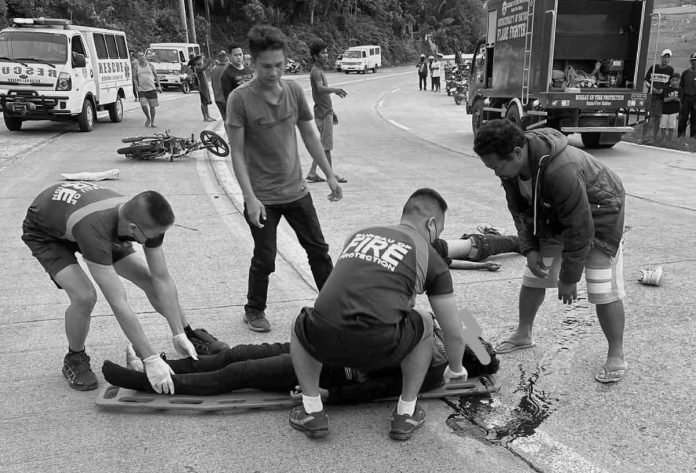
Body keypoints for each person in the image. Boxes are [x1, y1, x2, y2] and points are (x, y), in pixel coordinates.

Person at [289, 188, 470, 441]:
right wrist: (456, 369)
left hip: (324, 341)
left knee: (301, 322)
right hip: (381, 347)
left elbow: (351, 287)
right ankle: (405, 413)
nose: (435, 237)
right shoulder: (429, 256)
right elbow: (453, 332)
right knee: (426, 321)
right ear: (431, 224)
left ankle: (312, 411)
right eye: (438, 231)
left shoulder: (358, 235)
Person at [21, 182, 228, 392]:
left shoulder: (146, 223)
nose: (154, 240)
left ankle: (189, 334)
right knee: (84, 296)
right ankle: (75, 357)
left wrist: (178, 332)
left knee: (147, 279)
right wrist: (150, 357)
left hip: (84, 222)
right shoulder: (96, 229)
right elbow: (118, 301)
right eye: (150, 237)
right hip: (47, 235)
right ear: (132, 229)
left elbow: (161, 278)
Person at [473, 120, 627, 384]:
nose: (495, 172)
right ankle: (524, 333)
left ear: (517, 153)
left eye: (497, 166)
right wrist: (529, 248)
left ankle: (616, 353)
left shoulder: (560, 169)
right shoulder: (510, 171)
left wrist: (569, 277)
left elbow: (580, 226)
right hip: (553, 213)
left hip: (601, 215)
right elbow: (519, 211)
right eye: (490, 168)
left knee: (603, 290)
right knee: (534, 275)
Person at [225, 25, 343, 333]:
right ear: (252, 63)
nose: (274, 72)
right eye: (266, 66)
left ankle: (332, 307)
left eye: (279, 65)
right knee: (265, 258)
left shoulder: (293, 91)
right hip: (263, 197)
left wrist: (329, 175)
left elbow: (309, 134)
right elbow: (236, 153)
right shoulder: (240, 99)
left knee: (318, 250)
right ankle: (254, 309)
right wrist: (249, 198)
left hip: (297, 191)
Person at [101, 323, 499, 401]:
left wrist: (330, 394)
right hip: (316, 346)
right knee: (237, 353)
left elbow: (378, 390)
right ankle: (163, 365)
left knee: (238, 373)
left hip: (323, 371)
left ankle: (146, 382)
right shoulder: (430, 330)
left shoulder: (428, 372)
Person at [305, 39, 349, 184]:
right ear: (315, 56)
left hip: (325, 111)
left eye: (326, 52)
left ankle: (312, 172)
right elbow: (320, 89)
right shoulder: (316, 72)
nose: (326, 55)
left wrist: (332, 110)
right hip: (323, 114)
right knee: (326, 147)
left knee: (322, 144)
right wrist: (335, 90)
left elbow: (322, 95)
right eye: (323, 53)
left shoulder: (319, 70)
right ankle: (331, 175)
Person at [431, 226, 520, 271]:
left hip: (472, 241)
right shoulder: (428, 257)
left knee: (511, 242)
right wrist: (483, 265)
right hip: (482, 245)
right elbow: (453, 263)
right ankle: (495, 235)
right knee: (518, 242)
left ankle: (495, 234)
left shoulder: (422, 246)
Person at [642, 49, 674, 143]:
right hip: (651, 94)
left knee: (656, 117)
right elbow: (646, 81)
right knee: (648, 116)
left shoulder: (670, 70)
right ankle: (644, 137)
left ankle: (652, 138)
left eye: (668, 57)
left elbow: (670, 83)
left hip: (660, 97)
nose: (666, 59)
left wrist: (663, 90)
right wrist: (652, 88)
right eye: (665, 57)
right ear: (661, 57)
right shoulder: (653, 67)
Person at [133, 51, 162, 127]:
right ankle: (148, 118)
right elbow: (134, 78)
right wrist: (136, 86)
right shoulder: (136, 67)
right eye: (140, 56)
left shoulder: (150, 65)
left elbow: (156, 76)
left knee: (152, 106)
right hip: (142, 89)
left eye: (143, 55)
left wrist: (159, 86)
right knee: (143, 105)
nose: (142, 57)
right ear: (137, 58)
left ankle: (152, 122)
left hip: (151, 89)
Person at [191, 54, 216, 122]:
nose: (201, 61)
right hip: (202, 87)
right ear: (196, 61)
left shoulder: (200, 67)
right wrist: (208, 62)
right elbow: (203, 68)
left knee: (206, 102)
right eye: (199, 60)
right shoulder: (197, 67)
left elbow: (206, 69)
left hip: (205, 87)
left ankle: (208, 116)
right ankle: (205, 117)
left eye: (201, 59)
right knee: (204, 103)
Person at [660, 73, 682, 143]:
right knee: (663, 126)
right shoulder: (666, 89)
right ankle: (663, 139)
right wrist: (674, 97)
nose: (674, 82)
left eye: (676, 80)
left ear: (679, 81)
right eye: (673, 80)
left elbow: (680, 100)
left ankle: (670, 139)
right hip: (665, 111)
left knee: (671, 126)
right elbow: (665, 100)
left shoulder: (680, 89)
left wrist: (671, 98)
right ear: (670, 81)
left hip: (674, 111)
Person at [678, 53, 696, 138]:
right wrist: (681, 99)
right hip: (685, 98)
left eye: (695, 61)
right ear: (690, 61)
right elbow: (681, 87)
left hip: (695, 99)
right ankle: (681, 135)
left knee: (694, 119)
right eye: (693, 61)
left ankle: (693, 136)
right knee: (683, 118)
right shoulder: (685, 73)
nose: (694, 62)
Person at [210, 50, 230, 121]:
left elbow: (212, 85)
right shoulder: (228, 69)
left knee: (225, 119)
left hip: (218, 98)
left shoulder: (213, 70)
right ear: (226, 58)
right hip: (227, 99)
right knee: (231, 120)